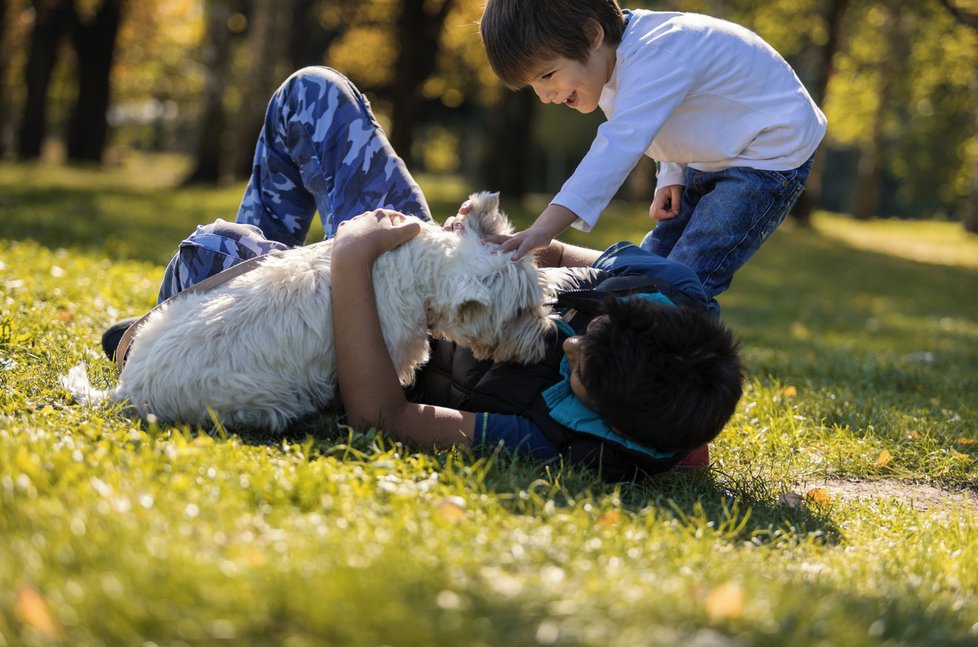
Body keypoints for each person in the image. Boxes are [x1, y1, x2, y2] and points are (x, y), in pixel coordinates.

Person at [102, 66, 743, 480]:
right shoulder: (666, 290)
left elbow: (382, 416)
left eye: (575, 370)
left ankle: (206, 313)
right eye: (585, 333)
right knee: (312, 94)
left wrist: (352, 259)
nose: (564, 339)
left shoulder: (569, 442)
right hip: (442, 277)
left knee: (211, 251)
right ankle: (229, 299)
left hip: (378, 350)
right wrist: (481, 244)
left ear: (605, 417)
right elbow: (545, 256)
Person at [479, 0, 828, 313]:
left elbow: (616, 148)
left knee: (684, 279)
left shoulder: (657, 53)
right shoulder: (611, 65)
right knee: (648, 266)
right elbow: (677, 114)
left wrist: (543, 229)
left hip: (768, 154)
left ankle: (682, 371)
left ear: (591, 35)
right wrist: (671, 174)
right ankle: (623, 331)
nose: (545, 96)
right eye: (534, 86)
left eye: (548, 75)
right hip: (718, 150)